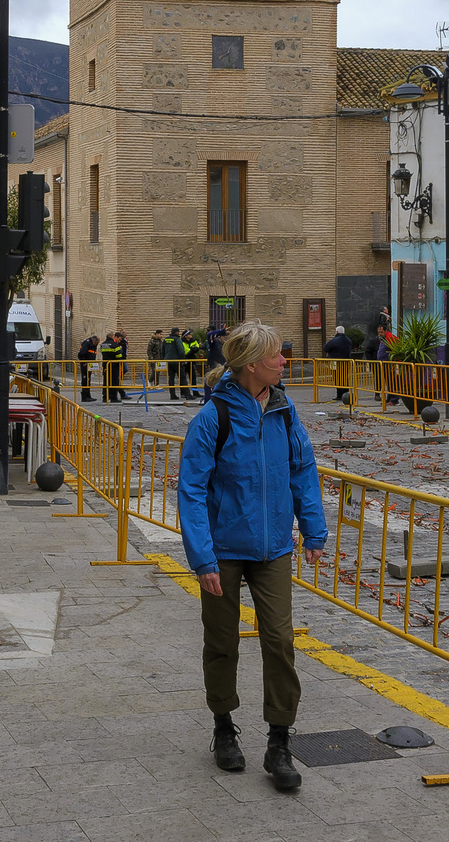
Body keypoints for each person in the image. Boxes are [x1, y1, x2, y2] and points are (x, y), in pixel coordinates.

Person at [177, 320, 328, 793]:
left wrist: (314, 530)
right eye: (277, 355)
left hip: (275, 548)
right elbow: (192, 491)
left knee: (280, 640)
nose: (285, 360)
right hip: (223, 550)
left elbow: (303, 470)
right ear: (250, 364)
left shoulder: (285, 411)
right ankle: (224, 726)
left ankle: (279, 741)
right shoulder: (213, 418)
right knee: (222, 642)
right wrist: (202, 558)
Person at [322, 325, 354, 402]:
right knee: (345, 378)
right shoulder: (348, 340)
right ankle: (346, 394)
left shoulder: (335, 340)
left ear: (337, 332)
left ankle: (339, 395)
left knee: (337, 378)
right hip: (346, 362)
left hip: (335, 363)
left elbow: (325, 348)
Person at [100, 332, 126, 403]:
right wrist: (120, 364)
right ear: (112, 336)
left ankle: (105, 397)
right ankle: (113, 397)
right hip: (114, 366)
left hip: (105, 366)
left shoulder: (102, 345)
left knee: (106, 381)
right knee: (114, 382)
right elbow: (119, 357)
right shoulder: (115, 345)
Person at [374, 328, 395, 410]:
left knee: (391, 382)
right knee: (388, 382)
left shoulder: (389, 338)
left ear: (385, 331)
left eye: (381, 332)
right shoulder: (382, 340)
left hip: (389, 364)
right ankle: (389, 398)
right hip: (383, 364)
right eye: (379, 332)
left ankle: (393, 399)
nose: (380, 334)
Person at [164, 328, 186, 400]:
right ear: (177, 332)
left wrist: (164, 358)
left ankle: (172, 395)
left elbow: (162, 350)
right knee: (182, 377)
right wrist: (182, 360)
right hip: (177, 361)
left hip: (169, 361)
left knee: (171, 378)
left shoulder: (166, 339)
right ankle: (187, 394)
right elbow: (181, 350)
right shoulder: (177, 339)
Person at [77, 335, 99, 402]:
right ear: (94, 340)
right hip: (85, 365)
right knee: (85, 379)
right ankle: (84, 396)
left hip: (90, 364)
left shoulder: (91, 344)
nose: (96, 345)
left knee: (88, 379)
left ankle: (88, 395)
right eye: (96, 343)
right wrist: (84, 361)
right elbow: (81, 353)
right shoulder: (87, 343)